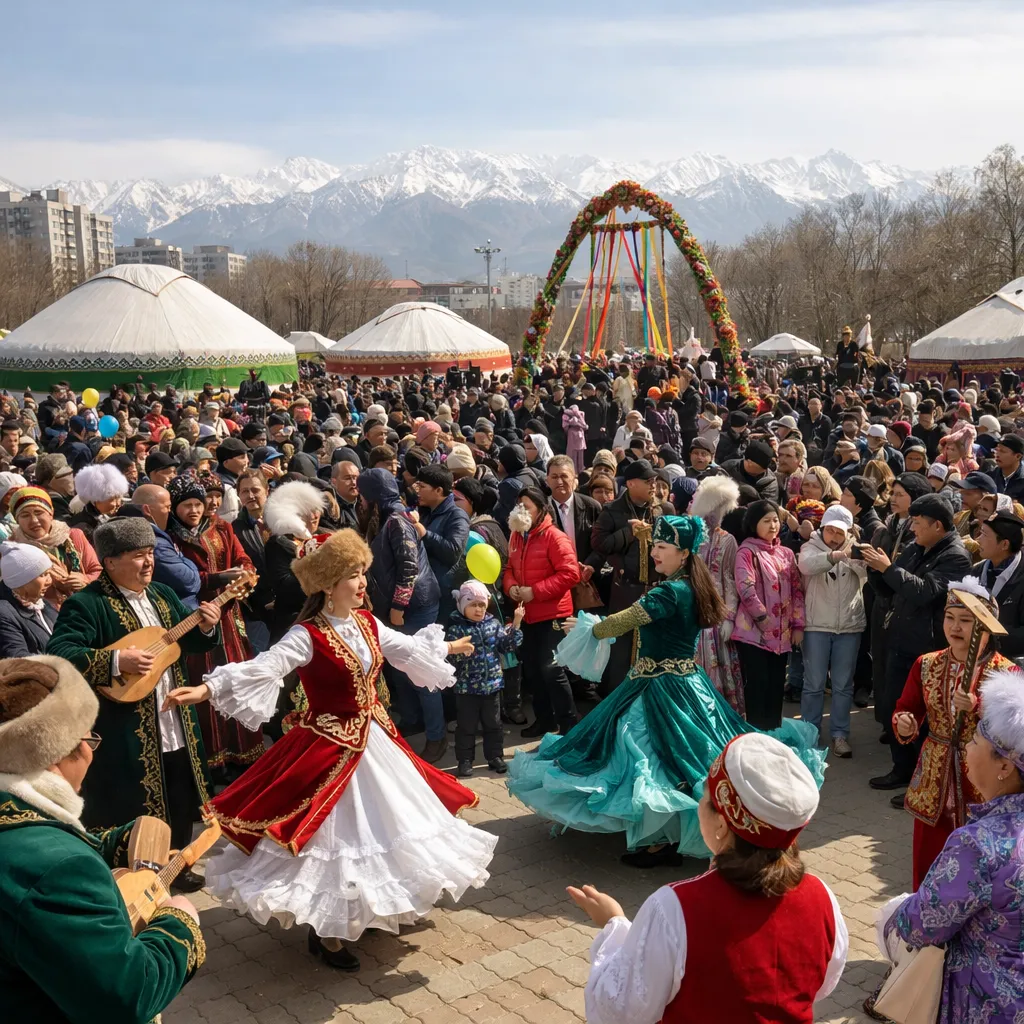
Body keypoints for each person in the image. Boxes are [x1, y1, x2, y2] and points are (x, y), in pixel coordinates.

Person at [163, 529, 496, 971]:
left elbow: (404, 648)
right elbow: (268, 666)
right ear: (326, 585)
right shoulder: (307, 635)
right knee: (338, 839)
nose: (362, 583)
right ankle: (328, 934)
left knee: (387, 828)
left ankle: (372, 907)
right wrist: (208, 689)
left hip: (376, 739)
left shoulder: (367, 622)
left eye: (362, 573)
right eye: (351, 576)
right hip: (328, 746)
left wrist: (450, 645)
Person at [507, 515, 824, 868]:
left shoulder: (669, 591)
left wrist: (588, 628)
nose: (654, 552)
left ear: (684, 553)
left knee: (653, 758)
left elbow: (625, 620)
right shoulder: (690, 584)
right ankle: (664, 835)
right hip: (684, 681)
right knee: (673, 756)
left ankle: (659, 841)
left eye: (662, 547)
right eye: (654, 545)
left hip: (661, 686)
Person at [573, 733, 847, 1024]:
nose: (698, 804)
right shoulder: (823, 898)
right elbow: (819, 984)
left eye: (704, 797)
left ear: (721, 823)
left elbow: (621, 1010)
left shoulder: (674, 907)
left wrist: (614, 927)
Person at [0, 654, 206, 1020]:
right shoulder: (62, 869)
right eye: (88, 739)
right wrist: (180, 923)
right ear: (55, 753)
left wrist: (115, 844)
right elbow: (127, 996)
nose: (90, 753)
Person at [46, 518, 222, 881]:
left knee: (179, 790)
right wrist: (115, 660)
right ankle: (133, 873)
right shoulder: (87, 604)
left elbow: (182, 643)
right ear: (110, 562)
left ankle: (178, 865)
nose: (148, 563)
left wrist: (205, 626)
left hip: (172, 715)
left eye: (151, 554)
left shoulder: (161, 595)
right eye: (138, 556)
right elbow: (60, 652)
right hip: (123, 724)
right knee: (132, 800)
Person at [876, 669, 1024, 1023]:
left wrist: (890, 915)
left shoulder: (979, 844)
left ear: (1003, 765)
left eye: (974, 741)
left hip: (985, 1003)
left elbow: (920, 924)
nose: (968, 748)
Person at [891, 577, 1020, 887]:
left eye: (966, 621)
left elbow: (1016, 737)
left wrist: (979, 708)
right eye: (950, 618)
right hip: (934, 775)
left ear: (986, 628)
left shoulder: (1007, 673)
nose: (955, 627)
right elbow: (905, 708)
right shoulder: (926, 664)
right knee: (929, 856)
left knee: (980, 864)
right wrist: (904, 723)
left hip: (984, 779)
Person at [862, 493, 973, 793]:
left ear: (937, 525)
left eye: (918, 523)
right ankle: (902, 769)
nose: (912, 529)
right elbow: (892, 588)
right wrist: (876, 570)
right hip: (900, 639)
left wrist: (888, 569)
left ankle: (924, 782)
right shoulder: (916, 547)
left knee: (925, 719)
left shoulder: (955, 556)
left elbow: (925, 592)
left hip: (928, 646)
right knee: (894, 708)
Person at [166, 473, 262, 779]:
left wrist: (244, 572)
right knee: (204, 682)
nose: (194, 510)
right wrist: (219, 579)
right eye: (186, 505)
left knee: (236, 677)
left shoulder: (221, 527)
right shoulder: (170, 538)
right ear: (175, 508)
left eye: (198, 503)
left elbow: (242, 557)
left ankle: (244, 753)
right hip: (197, 618)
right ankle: (214, 760)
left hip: (230, 616)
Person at [357, 468, 446, 761]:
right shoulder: (386, 517)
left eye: (362, 496)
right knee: (400, 666)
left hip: (414, 607)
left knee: (421, 669)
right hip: (401, 607)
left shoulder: (397, 521)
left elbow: (409, 568)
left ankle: (437, 736)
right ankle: (412, 720)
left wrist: (397, 608)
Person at [503, 487, 581, 736]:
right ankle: (545, 720)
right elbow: (508, 569)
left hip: (552, 614)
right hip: (527, 615)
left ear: (541, 509)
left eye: (527, 505)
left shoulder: (554, 537)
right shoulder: (516, 535)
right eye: (519, 504)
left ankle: (569, 724)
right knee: (534, 670)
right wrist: (512, 587)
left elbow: (570, 574)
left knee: (552, 669)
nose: (521, 510)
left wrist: (534, 591)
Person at [798, 505, 866, 758]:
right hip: (816, 625)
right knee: (813, 684)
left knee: (843, 685)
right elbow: (805, 566)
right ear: (822, 528)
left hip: (849, 625)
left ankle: (840, 734)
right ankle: (809, 733)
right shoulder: (811, 547)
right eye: (830, 530)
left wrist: (854, 556)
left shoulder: (856, 547)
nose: (835, 537)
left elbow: (866, 574)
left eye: (840, 532)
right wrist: (833, 557)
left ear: (848, 531)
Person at [732, 500, 805, 730]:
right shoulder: (746, 551)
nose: (773, 525)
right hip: (754, 633)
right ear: (754, 524)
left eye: (775, 519)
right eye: (766, 520)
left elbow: (796, 590)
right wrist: (763, 618)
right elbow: (745, 588)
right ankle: (755, 736)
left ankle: (773, 735)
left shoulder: (786, 553)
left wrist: (798, 625)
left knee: (775, 687)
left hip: (782, 635)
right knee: (757, 685)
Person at [592, 459, 661, 694]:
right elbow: (599, 544)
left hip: (655, 590)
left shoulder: (662, 509)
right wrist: (628, 532)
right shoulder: (612, 511)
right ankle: (617, 706)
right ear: (631, 483)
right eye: (647, 481)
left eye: (654, 480)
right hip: (625, 590)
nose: (653, 485)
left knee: (652, 652)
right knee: (621, 653)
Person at [445, 579, 524, 778]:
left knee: (494, 724)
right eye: (473, 605)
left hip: (492, 686)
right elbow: (449, 658)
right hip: (467, 689)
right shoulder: (456, 629)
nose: (479, 609)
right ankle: (464, 761)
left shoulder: (493, 624)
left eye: (482, 605)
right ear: (463, 605)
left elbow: (507, 646)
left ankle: (495, 756)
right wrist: (459, 652)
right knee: (466, 726)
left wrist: (516, 623)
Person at [690, 476, 745, 715]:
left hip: (718, 615)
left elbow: (731, 581)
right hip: (692, 612)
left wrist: (730, 617)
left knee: (720, 669)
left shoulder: (728, 540)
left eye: (718, 510)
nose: (713, 516)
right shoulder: (692, 536)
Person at [9, 486, 101, 609]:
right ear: (17, 520)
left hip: (84, 606)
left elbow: (97, 570)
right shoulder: (13, 549)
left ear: (51, 513)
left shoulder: (73, 536)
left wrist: (85, 580)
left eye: (39, 512)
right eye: (25, 515)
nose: (34, 521)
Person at [972, 510, 1024, 657]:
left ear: (1004, 544)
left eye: (985, 535)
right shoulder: (976, 571)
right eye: (980, 533)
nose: (978, 539)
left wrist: (988, 634)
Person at [0, 541, 57, 655]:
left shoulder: (41, 604)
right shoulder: (4, 613)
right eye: (43, 575)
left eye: (49, 573)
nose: (49, 581)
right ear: (23, 581)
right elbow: (19, 659)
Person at [67, 464, 128, 543]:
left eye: (119, 497)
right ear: (96, 499)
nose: (118, 503)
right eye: (113, 499)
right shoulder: (84, 528)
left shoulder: (110, 516)